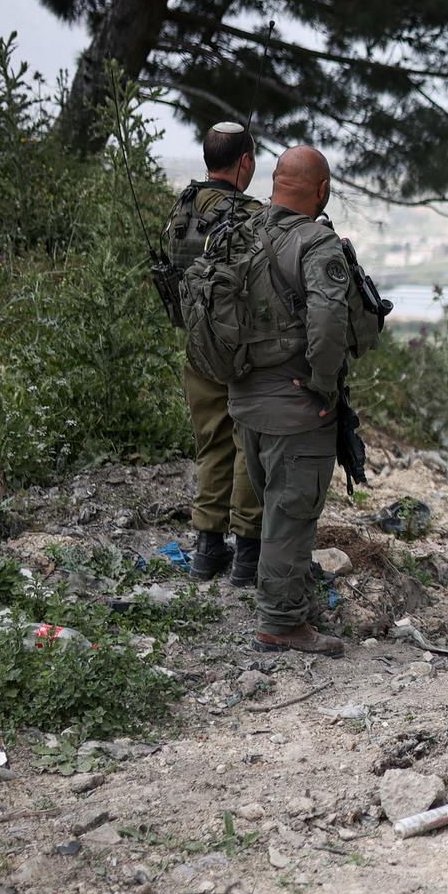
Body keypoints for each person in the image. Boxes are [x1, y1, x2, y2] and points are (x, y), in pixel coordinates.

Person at [227, 145, 383, 657]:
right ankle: (280, 623)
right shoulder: (316, 243)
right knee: (290, 518)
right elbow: (329, 324)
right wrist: (322, 385)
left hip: (245, 401)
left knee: (275, 509)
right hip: (296, 409)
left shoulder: (240, 232)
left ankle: (283, 603)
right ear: (322, 190)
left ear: (275, 182)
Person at [165, 122, 264, 582]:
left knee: (211, 442)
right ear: (244, 161)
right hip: (242, 348)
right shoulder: (251, 214)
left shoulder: (183, 206)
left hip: (197, 344)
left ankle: (207, 549)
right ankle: (247, 555)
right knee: (248, 444)